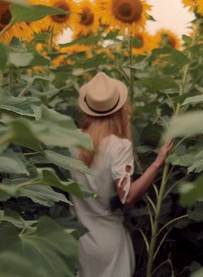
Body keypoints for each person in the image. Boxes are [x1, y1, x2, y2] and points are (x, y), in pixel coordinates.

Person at [70, 71, 173, 277]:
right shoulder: (119, 146)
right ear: (120, 109)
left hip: (80, 240)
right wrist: (157, 163)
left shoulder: (71, 140)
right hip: (109, 239)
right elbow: (128, 196)